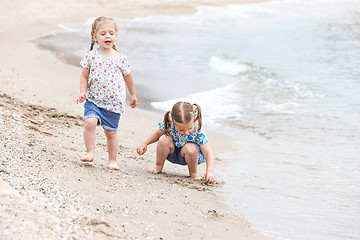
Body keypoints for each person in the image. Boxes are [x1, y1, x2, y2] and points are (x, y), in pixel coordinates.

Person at [76, 16, 137, 170]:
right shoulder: (91, 56)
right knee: (90, 122)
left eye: (111, 33)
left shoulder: (121, 58)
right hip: (94, 99)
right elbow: (84, 76)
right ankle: (90, 152)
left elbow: (128, 77)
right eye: (103, 34)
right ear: (95, 37)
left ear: (115, 36)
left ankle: (112, 161)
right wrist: (83, 91)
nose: (107, 36)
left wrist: (133, 94)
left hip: (113, 103)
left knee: (111, 133)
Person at [137, 102, 214, 183]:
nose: (187, 132)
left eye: (189, 128)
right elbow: (157, 134)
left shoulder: (198, 131)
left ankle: (193, 173)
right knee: (164, 138)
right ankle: (158, 166)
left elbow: (207, 152)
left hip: (189, 157)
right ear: (172, 121)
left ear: (194, 120)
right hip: (171, 153)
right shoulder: (169, 124)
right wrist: (145, 143)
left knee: (191, 147)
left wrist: (210, 171)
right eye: (181, 130)